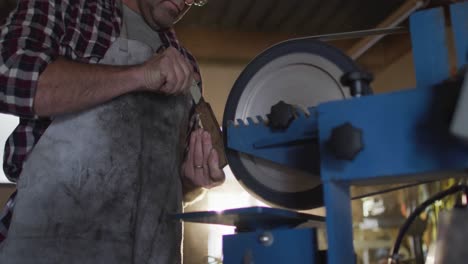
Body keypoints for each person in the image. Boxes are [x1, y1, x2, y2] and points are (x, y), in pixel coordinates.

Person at [0, 0, 225, 263]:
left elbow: (172, 192)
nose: (186, 1)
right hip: (49, 247)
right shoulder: (67, 9)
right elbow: (10, 77)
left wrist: (190, 182)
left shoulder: (185, 68)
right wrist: (139, 75)